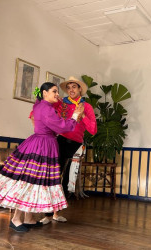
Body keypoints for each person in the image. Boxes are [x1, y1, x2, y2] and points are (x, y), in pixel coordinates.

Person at [0, 82, 83, 232]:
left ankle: (28, 219)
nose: (57, 94)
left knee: (33, 182)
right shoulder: (46, 109)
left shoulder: (41, 106)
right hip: (42, 146)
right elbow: (62, 126)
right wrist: (74, 115)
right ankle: (16, 219)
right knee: (30, 182)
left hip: (41, 144)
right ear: (45, 93)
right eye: (54, 91)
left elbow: (54, 114)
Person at [40, 76, 97, 224]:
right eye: (69, 87)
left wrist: (83, 114)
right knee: (53, 176)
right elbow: (44, 108)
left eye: (74, 87)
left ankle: (56, 213)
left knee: (66, 180)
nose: (71, 90)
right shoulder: (60, 104)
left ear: (80, 90)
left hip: (75, 145)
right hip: (59, 142)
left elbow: (93, 130)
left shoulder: (88, 107)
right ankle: (46, 214)